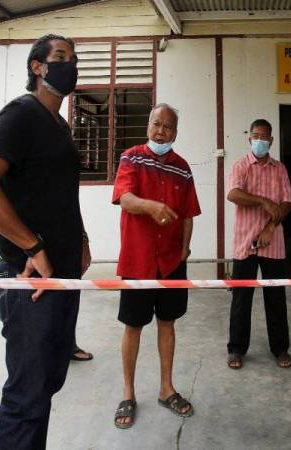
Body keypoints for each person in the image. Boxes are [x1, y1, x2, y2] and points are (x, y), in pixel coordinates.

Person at [0, 34, 91, 449]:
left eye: (73, 58)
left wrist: (81, 237)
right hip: (29, 278)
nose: (69, 64)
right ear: (38, 67)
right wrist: (33, 247)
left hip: (64, 277)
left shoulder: (60, 126)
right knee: (27, 395)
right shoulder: (20, 114)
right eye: (59, 57)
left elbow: (59, 193)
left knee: (47, 384)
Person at [111, 103, 201, 429]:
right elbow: (124, 198)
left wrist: (185, 250)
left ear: (175, 133)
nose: (161, 131)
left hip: (171, 261)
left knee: (167, 323)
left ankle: (166, 389)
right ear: (148, 125)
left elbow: (189, 213)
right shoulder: (131, 157)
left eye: (168, 127)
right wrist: (150, 206)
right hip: (138, 260)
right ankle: (128, 393)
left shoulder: (183, 168)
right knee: (133, 326)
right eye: (156, 124)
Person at [226, 119, 291, 370]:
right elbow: (233, 194)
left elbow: (287, 203)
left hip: (273, 241)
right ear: (249, 139)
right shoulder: (241, 166)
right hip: (245, 241)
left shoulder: (280, 169)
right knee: (241, 299)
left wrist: (270, 227)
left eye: (264, 137)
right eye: (255, 136)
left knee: (276, 298)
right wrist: (264, 202)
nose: (260, 141)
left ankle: (280, 349)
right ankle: (236, 350)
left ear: (271, 141)